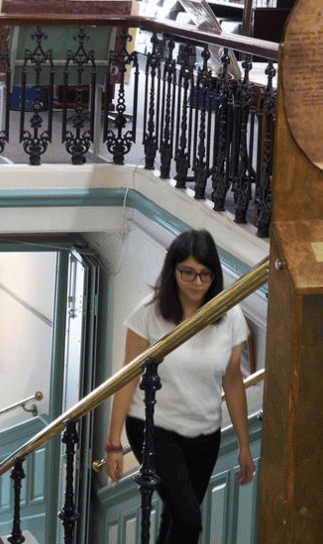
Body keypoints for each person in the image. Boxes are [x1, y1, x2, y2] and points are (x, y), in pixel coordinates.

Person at [106, 229, 255, 544]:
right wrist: (113, 443)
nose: (197, 282)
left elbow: (232, 380)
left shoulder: (230, 315)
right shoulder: (149, 313)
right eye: (187, 272)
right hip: (154, 427)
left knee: (175, 518)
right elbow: (128, 377)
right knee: (189, 522)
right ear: (172, 270)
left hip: (204, 432)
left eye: (205, 274)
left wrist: (244, 444)